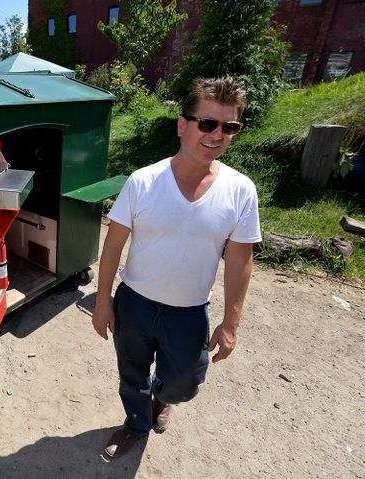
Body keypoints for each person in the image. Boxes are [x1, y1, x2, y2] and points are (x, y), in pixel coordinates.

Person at [92, 77, 262, 459]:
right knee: (131, 376)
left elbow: (240, 260)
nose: (217, 134)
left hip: (188, 313)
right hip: (134, 304)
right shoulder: (143, 181)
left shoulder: (240, 190)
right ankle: (136, 423)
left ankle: (163, 397)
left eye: (229, 126)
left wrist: (231, 322)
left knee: (184, 384)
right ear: (182, 125)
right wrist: (103, 302)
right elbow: (114, 244)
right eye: (207, 123)